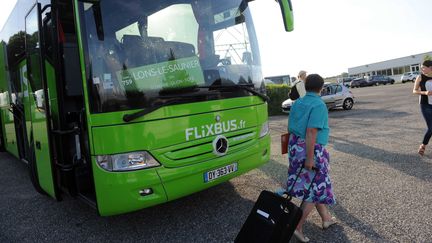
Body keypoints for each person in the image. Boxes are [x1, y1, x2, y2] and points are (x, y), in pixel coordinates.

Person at [287, 74, 336, 242]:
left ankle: (326, 218)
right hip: (311, 149)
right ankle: (297, 226)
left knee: (314, 185)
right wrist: (309, 158)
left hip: (295, 147)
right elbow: (311, 131)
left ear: (305, 86)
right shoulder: (318, 104)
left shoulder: (298, 102)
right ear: (321, 88)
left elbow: (293, 128)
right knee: (314, 189)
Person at [412, 60, 432, 156]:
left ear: (430, 67)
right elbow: (414, 91)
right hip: (425, 104)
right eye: (421, 67)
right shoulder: (420, 77)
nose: (422, 69)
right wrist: (424, 92)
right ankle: (423, 145)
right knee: (431, 127)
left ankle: (423, 145)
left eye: (424, 67)